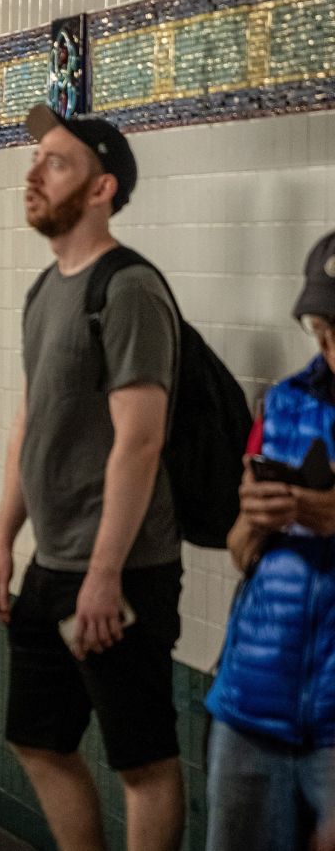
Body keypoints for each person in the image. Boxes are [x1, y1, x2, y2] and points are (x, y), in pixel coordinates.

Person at [0, 103, 184, 851]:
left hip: (123, 571)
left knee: (142, 759)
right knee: (37, 738)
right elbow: (30, 427)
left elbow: (140, 440)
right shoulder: (46, 290)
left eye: (55, 162)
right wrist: (4, 540)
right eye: (35, 161)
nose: (33, 173)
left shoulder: (127, 289)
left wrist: (105, 574)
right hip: (53, 563)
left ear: (101, 188)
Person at [204, 231, 335, 851]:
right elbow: (238, 550)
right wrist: (254, 522)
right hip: (254, 696)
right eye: (322, 330)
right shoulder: (284, 404)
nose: (330, 348)